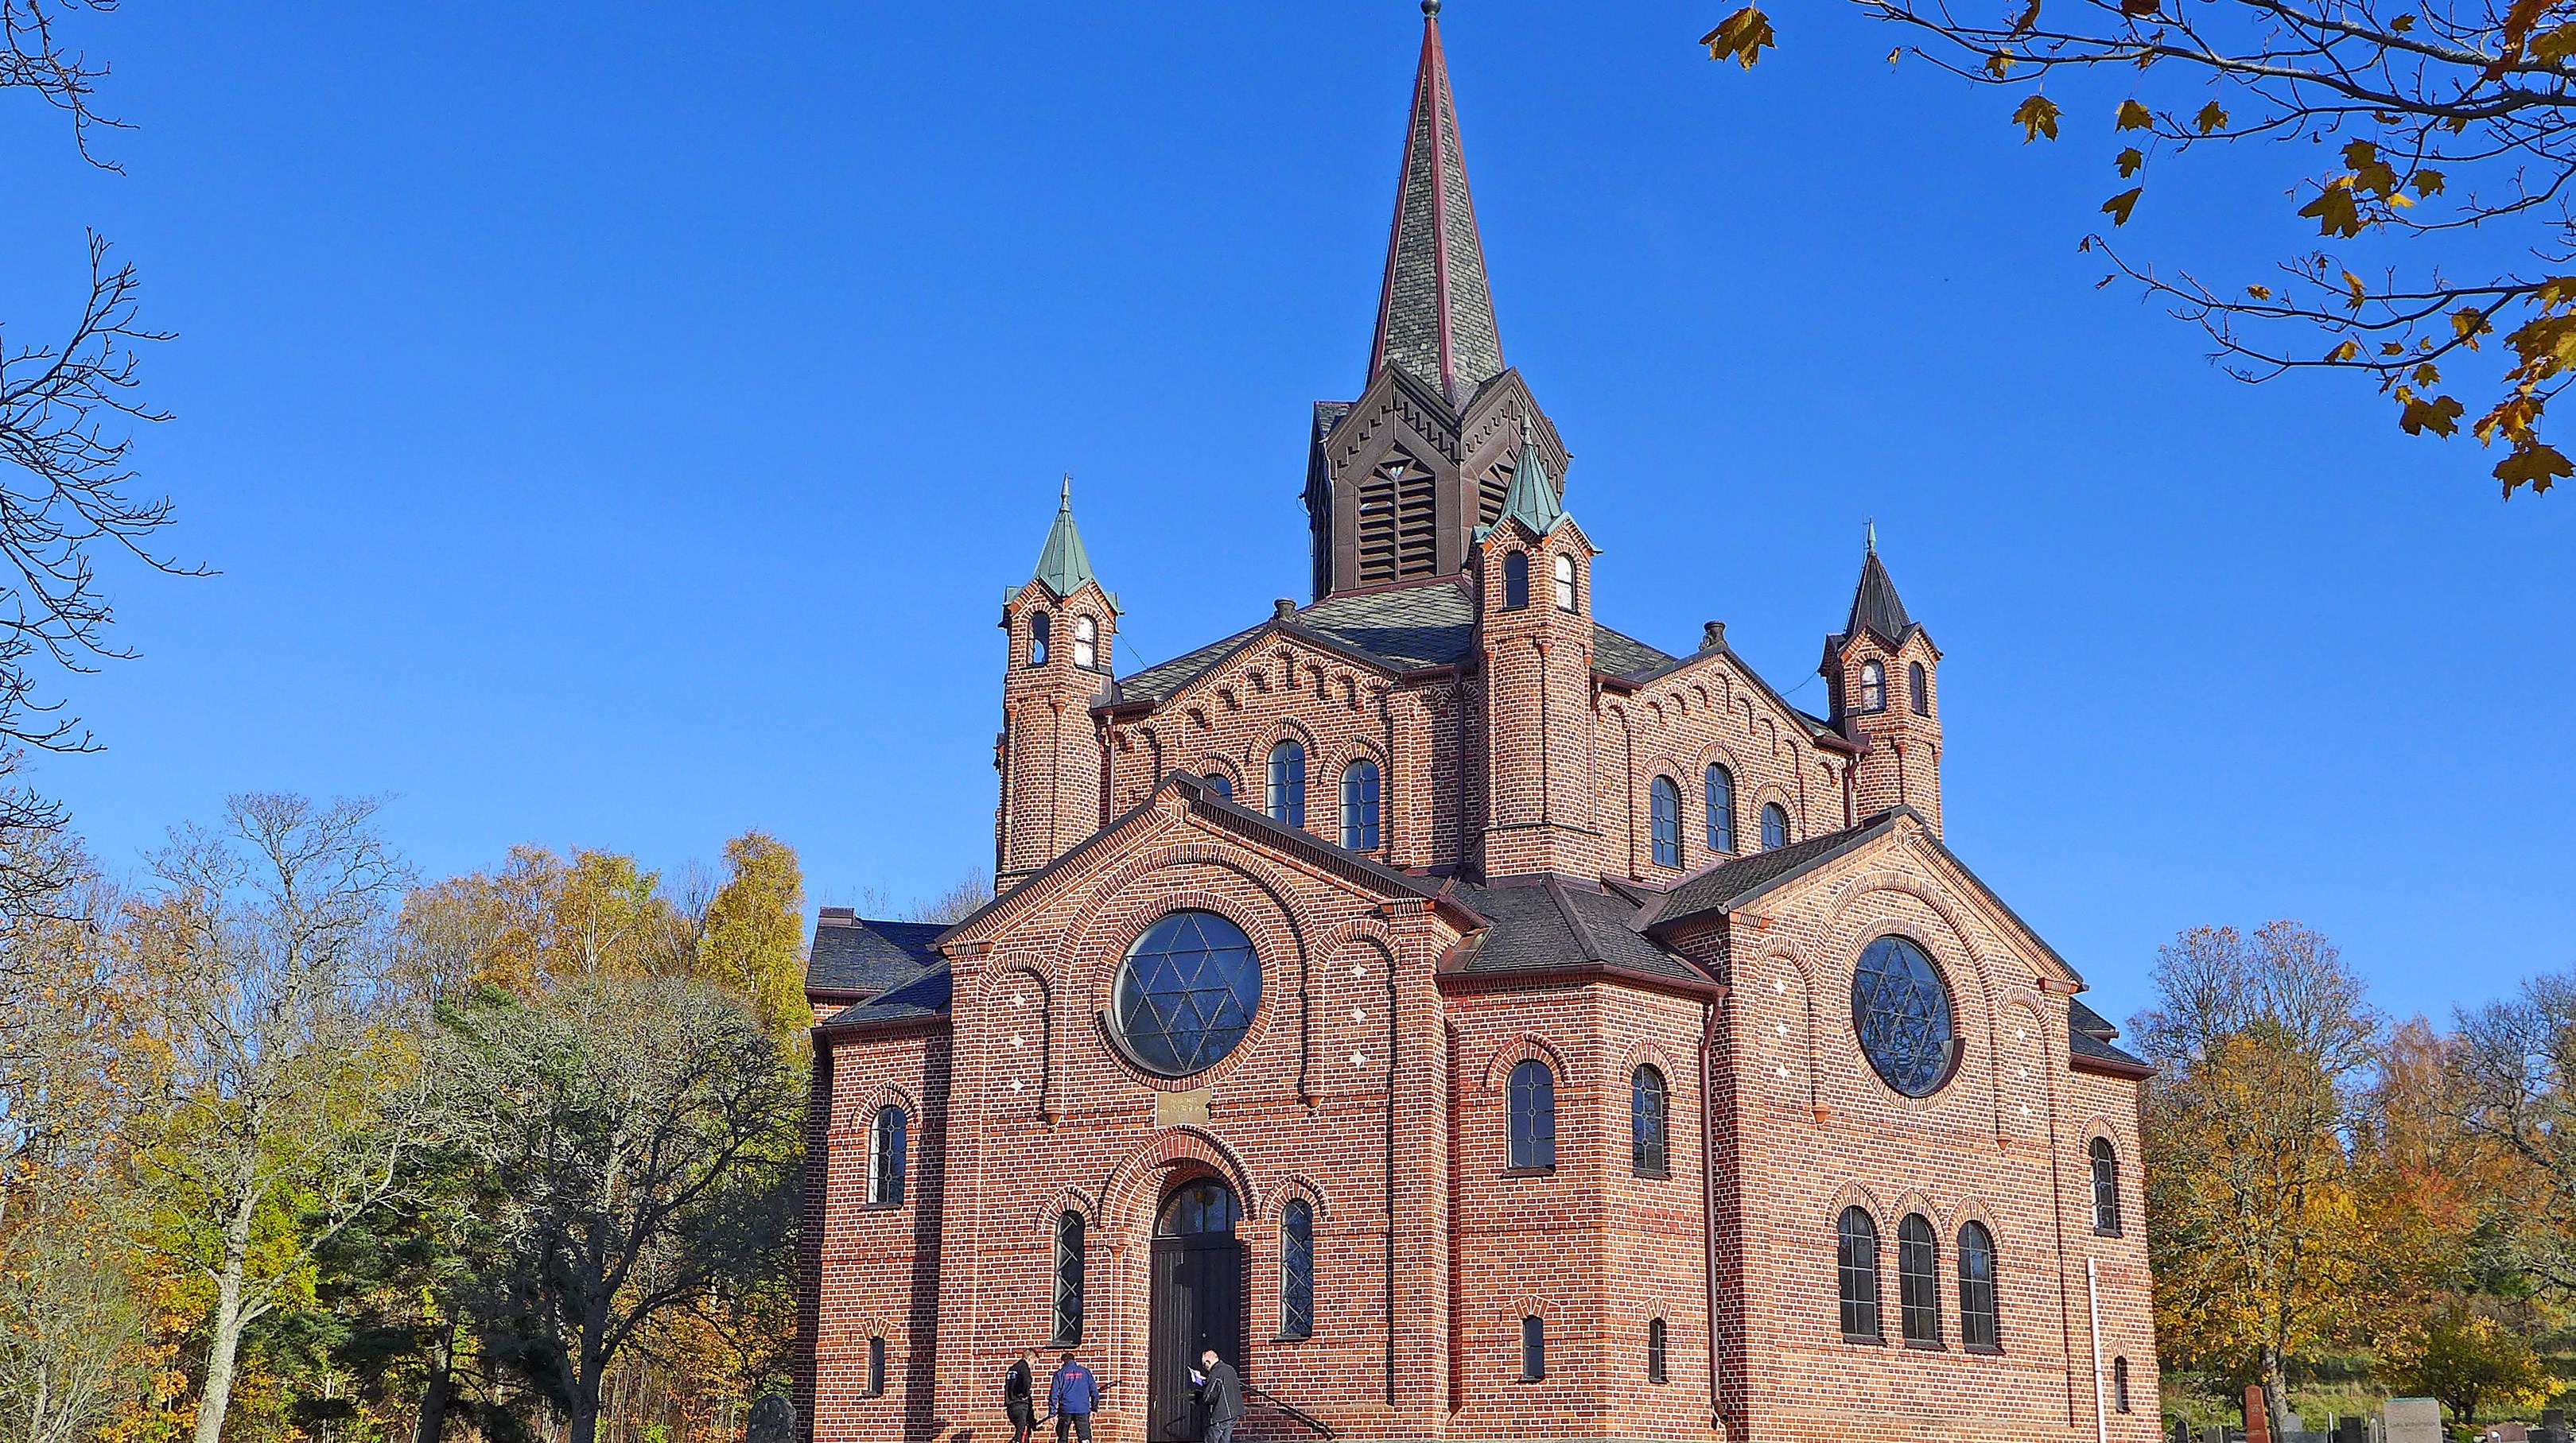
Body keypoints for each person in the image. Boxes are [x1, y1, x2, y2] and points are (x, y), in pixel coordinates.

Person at [1048, 1348, 1103, 1443]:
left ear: (1063, 1362)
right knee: (1084, 1438)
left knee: (1062, 1438)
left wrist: (1052, 1413)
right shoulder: (1085, 1372)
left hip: (1065, 1409)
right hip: (1082, 1408)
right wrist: (1094, 1408)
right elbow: (1094, 1391)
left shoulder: (1059, 1374)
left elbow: (1054, 1394)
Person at [1191, 1348, 1243, 1443]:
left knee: (1211, 1438)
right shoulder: (1229, 1369)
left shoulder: (1216, 1373)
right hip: (1234, 1412)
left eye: (1204, 1365)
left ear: (1208, 1362)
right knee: (1225, 1440)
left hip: (1221, 1414)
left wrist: (1198, 1396)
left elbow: (1208, 1396)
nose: (1204, 1367)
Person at [1003, 1349, 1036, 1443]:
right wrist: (1026, 1394)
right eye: (1034, 1361)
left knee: (1021, 1431)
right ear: (1030, 1358)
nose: (1033, 1365)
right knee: (1021, 1434)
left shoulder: (1012, 1369)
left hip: (1011, 1405)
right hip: (1020, 1405)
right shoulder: (1024, 1367)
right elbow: (1027, 1381)